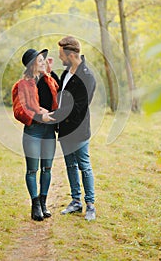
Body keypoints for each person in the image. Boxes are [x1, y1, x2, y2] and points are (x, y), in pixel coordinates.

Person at [45, 36, 96, 221]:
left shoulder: (87, 78)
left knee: (84, 166)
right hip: (65, 131)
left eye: (61, 55)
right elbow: (61, 94)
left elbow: (76, 108)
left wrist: (52, 116)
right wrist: (50, 74)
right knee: (70, 166)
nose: (60, 58)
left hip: (79, 131)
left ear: (71, 54)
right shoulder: (67, 73)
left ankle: (90, 205)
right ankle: (76, 201)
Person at [12, 48, 59, 221]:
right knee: (32, 169)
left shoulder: (48, 80)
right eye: (40, 60)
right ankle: (35, 205)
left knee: (47, 168)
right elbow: (19, 111)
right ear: (32, 64)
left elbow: (58, 93)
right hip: (33, 130)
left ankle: (44, 203)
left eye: (43, 60)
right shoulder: (21, 85)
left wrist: (50, 70)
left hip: (48, 131)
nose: (43, 62)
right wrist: (40, 116)